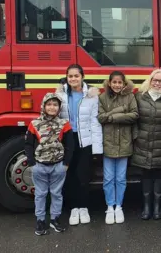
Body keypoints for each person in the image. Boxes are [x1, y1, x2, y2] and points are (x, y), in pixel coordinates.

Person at [56, 64, 103, 226]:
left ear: (82, 77)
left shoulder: (91, 95)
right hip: (67, 140)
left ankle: (84, 207)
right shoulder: (60, 94)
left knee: (83, 175)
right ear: (66, 78)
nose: (73, 79)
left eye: (76, 76)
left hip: (85, 140)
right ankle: (73, 209)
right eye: (70, 76)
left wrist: (97, 147)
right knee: (69, 175)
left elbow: (95, 121)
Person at [24, 93, 74, 236]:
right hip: (39, 165)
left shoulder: (64, 124)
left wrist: (66, 164)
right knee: (40, 194)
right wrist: (32, 163)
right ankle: (40, 220)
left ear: (59, 108)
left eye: (55, 104)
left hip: (58, 166)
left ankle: (55, 218)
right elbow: (28, 144)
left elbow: (70, 145)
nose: (52, 107)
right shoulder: (34, 124)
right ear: (44, 106)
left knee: (56, 194)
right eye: (49, 104)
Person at [132, 69, 161, 220]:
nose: (157, 83)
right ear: (150, 81)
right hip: (142, 142)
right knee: (145, 175)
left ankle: (157, 206)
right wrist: (135, 137)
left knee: (159, 175)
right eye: (155, 80)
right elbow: (133, 120)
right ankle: (146, 206)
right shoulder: (139, 97)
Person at [98, 71, 138, 225]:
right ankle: (109, 206)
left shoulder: (130, 97)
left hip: (124, 142)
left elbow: (134, 115)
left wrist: (112, 116)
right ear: (109, 83)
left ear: (124, 83)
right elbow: (101, 117)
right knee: (108, 178)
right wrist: (120, 111)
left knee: (121, 178)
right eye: (114, 82)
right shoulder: (102, 98)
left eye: (119, 82)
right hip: (108, 143)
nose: (116, 85)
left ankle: (119, 207)